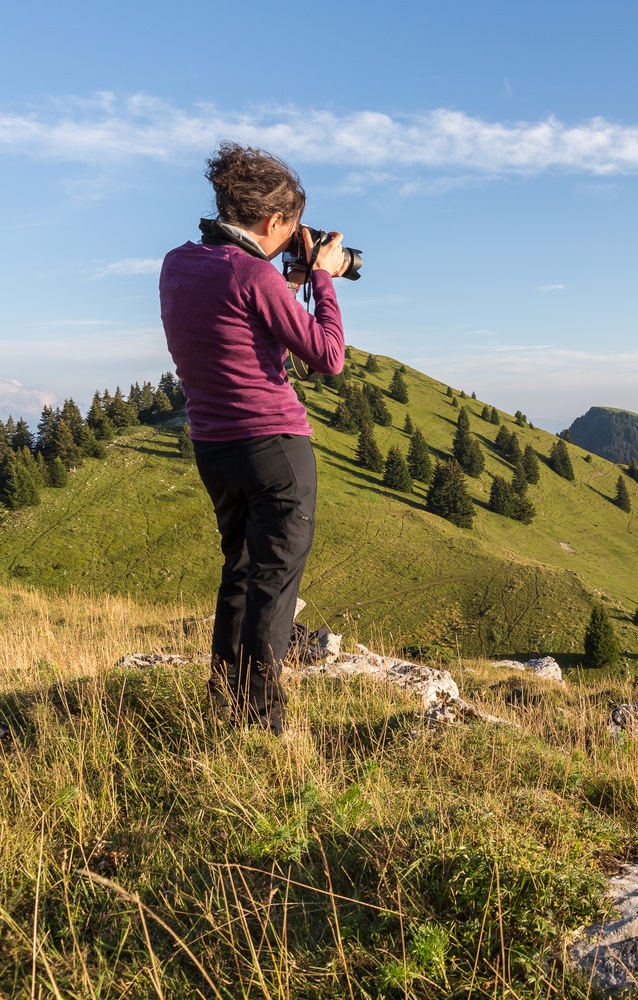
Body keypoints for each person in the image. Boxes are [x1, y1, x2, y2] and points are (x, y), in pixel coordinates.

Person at [159, 142, 349, 733]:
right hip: (276, 451)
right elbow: (328, 356)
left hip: (214, 448)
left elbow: (238, 318)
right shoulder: (255, 275)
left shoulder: (179, 263)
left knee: (239, 575)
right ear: (273, 222)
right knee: (273, 587)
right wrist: (321, 278)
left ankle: (225, 708)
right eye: (289, 228)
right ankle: (262, 723)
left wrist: (284, 277)